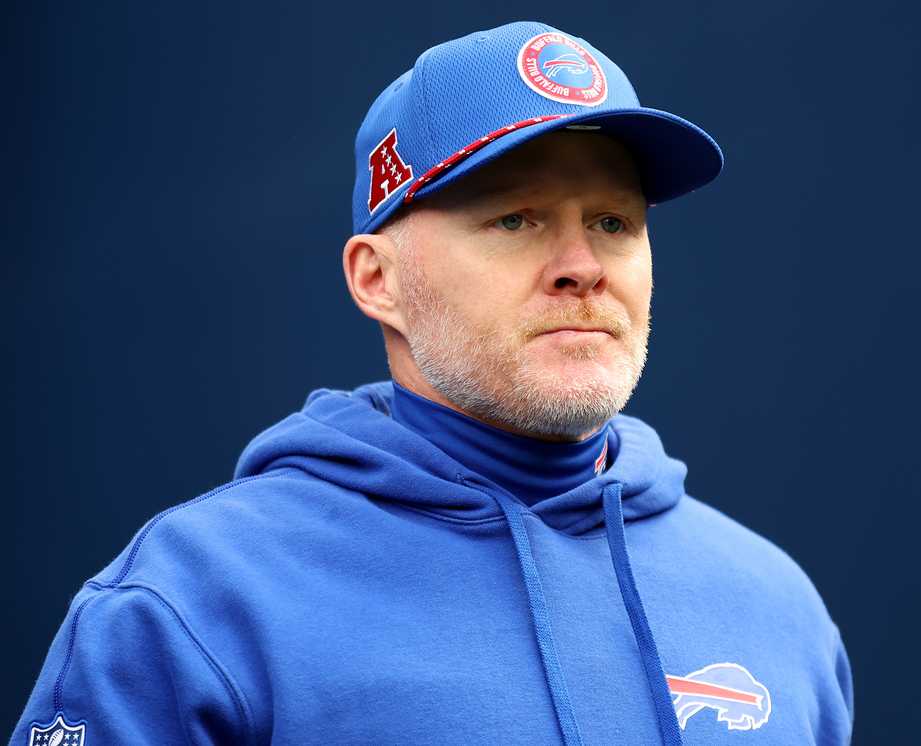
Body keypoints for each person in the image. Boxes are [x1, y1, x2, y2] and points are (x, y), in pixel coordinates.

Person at [10, 21, 853, 746]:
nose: (582, 268)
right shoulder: (199, 600)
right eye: (515, 219)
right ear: (378, 279)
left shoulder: (772, 602)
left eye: (613, 222)